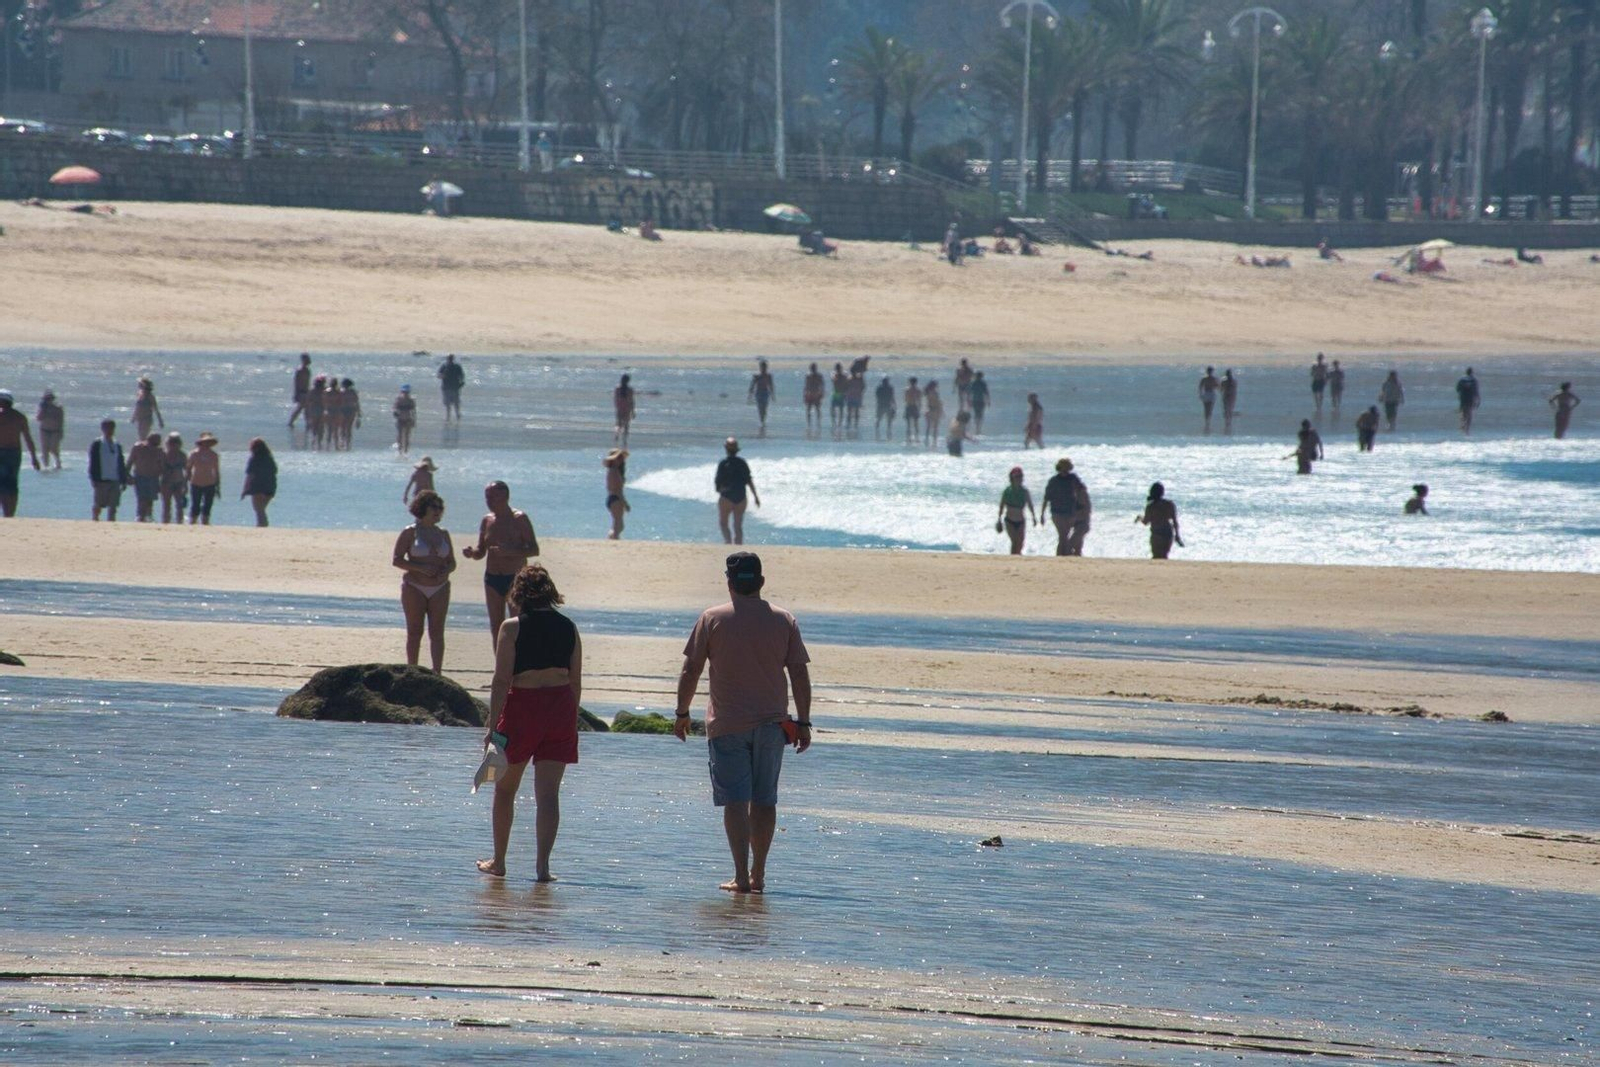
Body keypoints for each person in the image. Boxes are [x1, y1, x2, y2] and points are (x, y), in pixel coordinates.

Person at [673, 552, 812, 894]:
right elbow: (798, 672)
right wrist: (805, 721)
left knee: (736, 801)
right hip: (772, 726)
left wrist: (681, 712)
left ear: (729, 583)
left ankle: (740, 875)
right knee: (765, 800)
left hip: (727, 725)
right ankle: (758, 875)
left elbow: (691, 669)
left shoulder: (712, 618)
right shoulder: (784, 620)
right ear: (761, 582)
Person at [477, 563, 582, 882]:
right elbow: (575, 681)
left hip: (523, 707)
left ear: (518, 594)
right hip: (559, 707)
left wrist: (492, 727)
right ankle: (543, 867)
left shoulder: (511, 627)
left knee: (504, 789)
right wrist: (569, 719)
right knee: (549, 794)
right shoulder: (569, 627)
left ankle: (499, 861)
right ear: (550, 591)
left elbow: (500, 681)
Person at [462, 481, 540, 645]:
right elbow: (481, 551)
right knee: (496, 626)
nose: (488, 501)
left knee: (517, 624)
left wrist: (510, 551)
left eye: (492, 497)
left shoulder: (519, 518)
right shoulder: (487, 520)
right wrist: (472, 553)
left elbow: (534, 549)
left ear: (505, 496)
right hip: (492, 578)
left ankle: (520, 666)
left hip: (515, 578)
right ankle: (501, 666)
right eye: (487, 497)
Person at [392, 489, 456, 675]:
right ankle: (413, 669)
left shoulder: (443, 533)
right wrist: (420, 568)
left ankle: (437, 671)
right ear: (422, 508)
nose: (437, 511)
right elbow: (397, 559)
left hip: (440, 587)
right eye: (433, 507)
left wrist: (447, 569)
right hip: (415, 586)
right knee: (415, 631)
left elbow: (452, 561)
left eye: (440, 507)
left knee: (437, 632)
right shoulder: (410, 532)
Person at [0, 390, 41, 516]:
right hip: (14, 453)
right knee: (12, 484)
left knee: (4, 484)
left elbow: (28, 438)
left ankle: (7, 513)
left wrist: (34, 457)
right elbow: (28, 438)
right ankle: (10, 513)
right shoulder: (19, 417)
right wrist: (34, 457)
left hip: (4, 453)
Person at [715, 437, 760, 544]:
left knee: (723, 523)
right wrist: (756, 497)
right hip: (741, 497)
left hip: (726, 497)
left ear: (726, 449)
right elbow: (749, 480)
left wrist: (720, 490)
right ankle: (738, 545)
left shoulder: (723, 463)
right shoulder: (742, 463)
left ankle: (728, 541)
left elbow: (718, 482)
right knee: (738, 525)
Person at [1040, 457, 1089, 556]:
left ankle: (1062, 557)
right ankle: (1063, 556)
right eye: (1064, 467)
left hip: (1070, 511)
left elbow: (1082, 489)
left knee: (1064, 536)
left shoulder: (1073, 478)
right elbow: (1046, 498)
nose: (1065, 469)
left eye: (1067, 467)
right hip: (1056, 512)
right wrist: (1042, 514)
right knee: (1063, 535)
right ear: (1059, 467)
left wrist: (1083, 506)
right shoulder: (1053, 481)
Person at [87, 418, 127, 522]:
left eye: (111, 428)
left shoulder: (117, 444)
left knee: (113, 505)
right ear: (102, 429)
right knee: (98, 504)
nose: (109, 430)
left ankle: (111, 522)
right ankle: (95, 520)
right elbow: (93, 462)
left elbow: (121, 462)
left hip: (115, 479)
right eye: (107, 428)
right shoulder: (97, 443)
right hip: (101, 479)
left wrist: (123, 479)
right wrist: (93, 478)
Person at [1135, 482, 1182, 559]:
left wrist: (1139, 518)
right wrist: (1177, 536)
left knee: (1156, 557)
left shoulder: (1150, 506)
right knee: (1164, 556)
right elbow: (1175, 521)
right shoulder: (1169, 504)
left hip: (1157, 533)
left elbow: (1146, 522)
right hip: (1168, 533)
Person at [996, 466, 1036, 555]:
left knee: (1020, 543)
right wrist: (999, 519)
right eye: (1017, 477)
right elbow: (1002, 505)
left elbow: (1030, 505)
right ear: (1012, 478)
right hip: (1009, 521)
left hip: (1021, 521)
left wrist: (1033, 517)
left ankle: (1017, 557)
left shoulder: (1024, 491)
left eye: (1020, 477)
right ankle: (1013, 559)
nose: (1019, 479)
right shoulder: (1007, 491)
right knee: (1015, 542)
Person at [126, 432, 162, 522]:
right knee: (142, 498)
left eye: (157, 443)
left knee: (150, 500)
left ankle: (148, 517)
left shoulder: (158, 451)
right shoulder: (138, 448)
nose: (155, 445)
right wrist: (127, 475)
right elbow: (130, 462)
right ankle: (140, 517)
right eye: (154, 443)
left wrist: (161, 479)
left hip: (153, 477)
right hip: (140, 476)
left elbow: (162, 466)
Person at [242, 437, 278, 527]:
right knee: (261, 509)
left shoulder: (254, 459)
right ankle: (261, 524)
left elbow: (250, 475)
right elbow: (274, 472)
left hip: (257, 487)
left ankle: (262, 525)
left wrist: (245, 489)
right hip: (270, 487)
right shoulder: (270, 459)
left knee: (258, 509)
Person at [187, 432, 221, 524]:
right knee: (195, 505)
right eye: (205, 442)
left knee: (208, 505)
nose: (207, 444)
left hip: (210, 483)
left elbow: (216, 471)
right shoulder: (194, 454)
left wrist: (218, 486)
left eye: (208, 442)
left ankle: (205, 523)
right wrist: (188, 480)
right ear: (201, 442)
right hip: (196, 482)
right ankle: (193, 523)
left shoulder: (214, 455)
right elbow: (189, 468)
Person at [159, 432, 188, 524]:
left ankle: (180, 522)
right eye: (172, 442)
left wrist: (185, 484)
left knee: (179, 505)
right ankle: (165, 523)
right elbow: (159, 469)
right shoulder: (164, 455)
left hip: (179, 482)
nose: (174, 445)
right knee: (166, 505)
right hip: (166, 482)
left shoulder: (182, 455)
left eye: (176, 442)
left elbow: (187, 470)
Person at [603, 448, 630, 539]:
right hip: (616, 498)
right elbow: (618, 490)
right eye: (619, 458)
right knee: (618, 524)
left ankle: (613, 538)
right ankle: (614, 538)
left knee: (618, 524)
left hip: (612, 498)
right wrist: (625, 503)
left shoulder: (611, 470)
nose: (622, 461)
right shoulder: (614, 471)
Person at [36, 390, 63, 470]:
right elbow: (39, 418)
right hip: (44, 430)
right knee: (45, 448)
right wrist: (43, 410)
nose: (48, 401)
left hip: (55, 431)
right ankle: (45, 465)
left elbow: (61, 420)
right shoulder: (42, 408)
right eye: (46, 399)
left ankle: (58, 462)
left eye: (49, 399)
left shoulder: (58, 408)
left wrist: (61, 431)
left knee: (54, 448)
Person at [748, 360, 775, 435]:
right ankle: (761, 421)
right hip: (758, 393)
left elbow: (771, 385)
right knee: (760, 408)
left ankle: (763, 421)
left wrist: (773, 395)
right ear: (760, 367)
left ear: (766, 367)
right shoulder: (757, 376)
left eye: (765, 367)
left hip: (765, 393)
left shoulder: (769, 376)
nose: (763, 369)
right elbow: (752, 385)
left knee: (765, 408)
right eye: (762, 367)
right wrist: (750, 395)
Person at [438, 354, 465, 422]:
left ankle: (457, 416)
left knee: (455, 404)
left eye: (451, 359)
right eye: (449, 359)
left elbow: (462, 376)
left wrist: (461, 383)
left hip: (454, 388)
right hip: (447, 388)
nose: (450, 361)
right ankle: (449, 417)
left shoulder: (456, 367)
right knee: (448, 404)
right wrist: (443, 375)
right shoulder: (444, 366)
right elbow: (439, 375)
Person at [288, 353, 312, 427]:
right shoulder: (300, 370)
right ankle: (291, 422)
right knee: (301, 408)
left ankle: (307, 423)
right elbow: (296, 383)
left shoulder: (307, 370)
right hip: (301, 392)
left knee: (305, 408)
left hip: (306, 392)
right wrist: (296, 394)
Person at [393, 384, 417, 455]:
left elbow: (413, 412)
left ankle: (406, 451)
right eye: (404, 392)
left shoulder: (411, 401)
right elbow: (394, 408)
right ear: (401, 392)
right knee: (399, 436)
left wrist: (414, 420)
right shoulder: (398, 400)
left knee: (407, 436)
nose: (405, 394)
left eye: (406, 392)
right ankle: (400, 451)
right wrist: (395, 412)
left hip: (408, 420)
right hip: (400, 420)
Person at [338, 377, 362, 448]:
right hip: (351, 409)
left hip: (342, 410)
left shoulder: (341, 392)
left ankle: (342, 441)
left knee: (342, 427)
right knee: (349, 428)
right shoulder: (353, 392)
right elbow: (356, 403)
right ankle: (348, 444)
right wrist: (358, 413)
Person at [613, 374, 636, 446]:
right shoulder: (630, 390)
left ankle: (617, 435)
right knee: (626, 425)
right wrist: (633, 411)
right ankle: (624, 440)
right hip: (627, 408)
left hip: (620, 408)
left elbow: (615, 399)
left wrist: (617, 407)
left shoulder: (617, 389)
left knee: (618, 424)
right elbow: (632, 401)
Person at [1456, 368, 1480, 434]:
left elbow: (1457, 389)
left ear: (1466, 372)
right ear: (1472, 372)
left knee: (1463, 413)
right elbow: (1476, 391)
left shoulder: (1461, 380)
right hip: (1471, 399)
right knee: (1470, 414)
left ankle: (1462, 427)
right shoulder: (1474, 380)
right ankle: (1467, 429)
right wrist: (1478, 400)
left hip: (1463, 399)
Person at [802, 362, 825, 432]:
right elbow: (806, 386)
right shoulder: (808, 376)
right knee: (810, 409)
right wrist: (805, 394)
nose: (813, 369)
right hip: (811, 394)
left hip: (815, 394)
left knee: (816, 409)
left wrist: (821, 393)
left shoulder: (818, 376)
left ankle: (817, 423)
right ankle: (810, 424)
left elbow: (822, 385)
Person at [1198, 367, 1220, 434]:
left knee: (1207, 408)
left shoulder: (1205, 379)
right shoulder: (1212, 379)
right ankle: (1208, 421)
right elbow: (1218, 387)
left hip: (1208, 393)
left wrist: (1200, 394)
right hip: (1210, 394)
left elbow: (1200, 387)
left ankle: (1207, 421)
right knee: (1209, 408)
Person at [923, 381, 944, 448]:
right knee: (935, 427)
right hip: (935, 410)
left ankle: (927, 440)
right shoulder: (935, 393)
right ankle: (934, 442)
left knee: (928, 427)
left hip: (929, 410)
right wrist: (941, 409)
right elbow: (937, 402)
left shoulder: (927, 393)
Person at [844, 369, 866, 435]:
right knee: (851, 412)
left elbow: (863, 387)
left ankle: (853, 425)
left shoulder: (857, 379)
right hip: (853, 397)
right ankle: (851, 425)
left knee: (854, 412)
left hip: (854, 397)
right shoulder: (850, 379)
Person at [828, 362, 848, 433]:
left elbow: (846, 383)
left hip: (839, 394)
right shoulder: (837, 375)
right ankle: (835, 423)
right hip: (838, 393)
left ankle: (837, 423)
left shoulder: (842, 375)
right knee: (835, 409)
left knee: (839, 409)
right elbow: (833, 378)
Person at [902, 376, 921, 445]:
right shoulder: (918, 390)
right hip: (914, 407)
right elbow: (919, 401)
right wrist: (919, 409)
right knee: (916, 424)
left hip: (909, 406)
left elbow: (905, 399)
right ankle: (916, 438)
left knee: (908, 425)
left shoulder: (907, 390)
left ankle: (909, 439)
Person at [1221, 369, 1239, 435]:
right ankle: (1229, 422)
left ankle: (1227, 422)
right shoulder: (1234, 381)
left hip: (1226, 395)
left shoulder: (1224, 380)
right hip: (1231, 395)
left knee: (1226, 409)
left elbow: (1221, 389)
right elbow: (1235, 389)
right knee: (1230, 408)